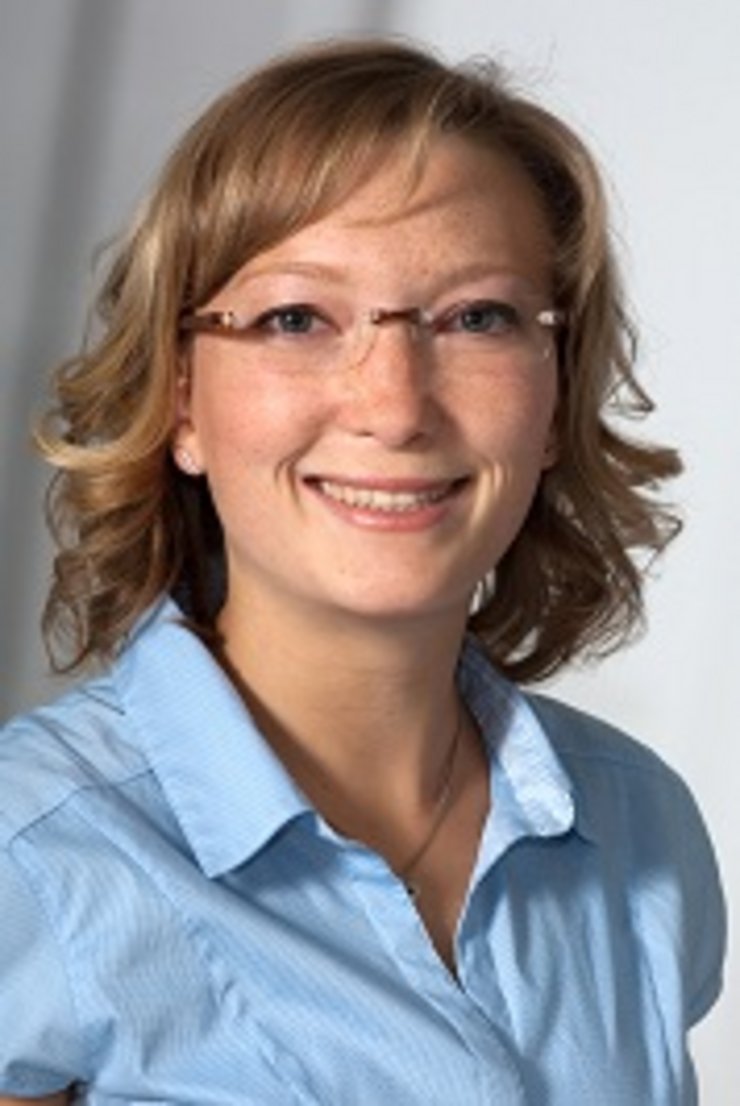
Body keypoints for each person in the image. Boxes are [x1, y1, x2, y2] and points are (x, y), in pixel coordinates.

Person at [0, 37, 725, 1106]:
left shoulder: (640, 832)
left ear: (555, 396)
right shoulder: (33, 854)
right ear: (181, 402)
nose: (393, 406)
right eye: (296, 318)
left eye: (476, 317)